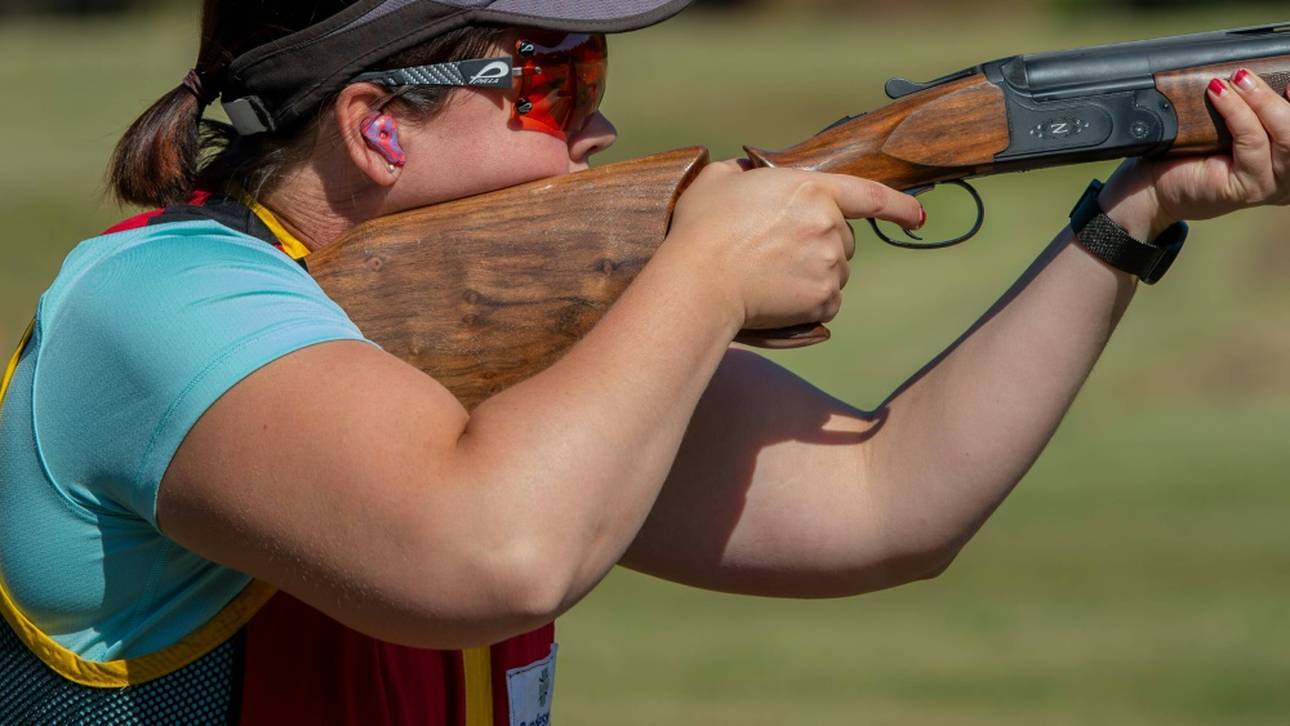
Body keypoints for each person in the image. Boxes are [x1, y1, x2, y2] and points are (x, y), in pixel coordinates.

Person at [1, 1, 1288, 723]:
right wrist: (702, 278)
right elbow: (494, 556)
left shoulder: (497, 334)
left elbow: (887, 504)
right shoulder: (153, 305)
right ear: (375, 129)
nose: (607, 122)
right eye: (559, 83)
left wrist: (1130, 220)